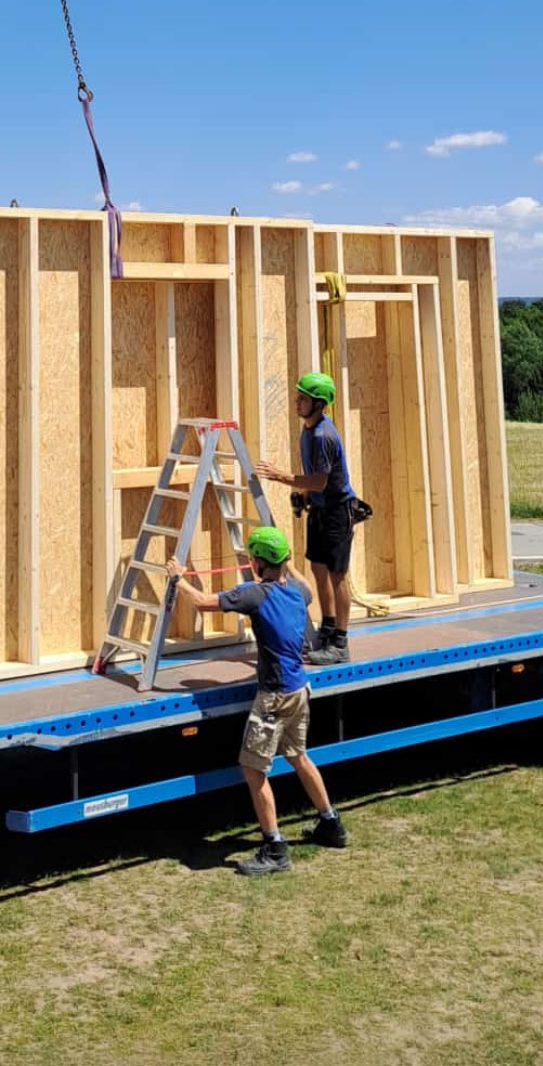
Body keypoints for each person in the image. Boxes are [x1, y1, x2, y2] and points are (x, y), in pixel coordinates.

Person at [165, 526, 347, 876]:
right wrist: (284, 561)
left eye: (253, 559)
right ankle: (331, 823)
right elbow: (294, 577)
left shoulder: (254, 595)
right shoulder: (300, 591)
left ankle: (275, 847)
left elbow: (204, 603)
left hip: (275, 698)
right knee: (298, 756)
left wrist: (178, 579)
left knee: (253, 769)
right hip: (299, 690)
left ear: (259, 563)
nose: (250, 563)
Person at [255, 371, 355, 665]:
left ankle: (340, 643)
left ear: (319, 403)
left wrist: (282, 477)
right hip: (321, 508)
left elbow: (322, 481)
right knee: (317, 568)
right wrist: (304, 497)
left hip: (338, 510)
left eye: (303, 398)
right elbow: (313, 478)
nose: (297, 402)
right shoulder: (307, 431)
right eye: (298, 396)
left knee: (337, 576)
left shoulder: (324, 435)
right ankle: (327, 628)